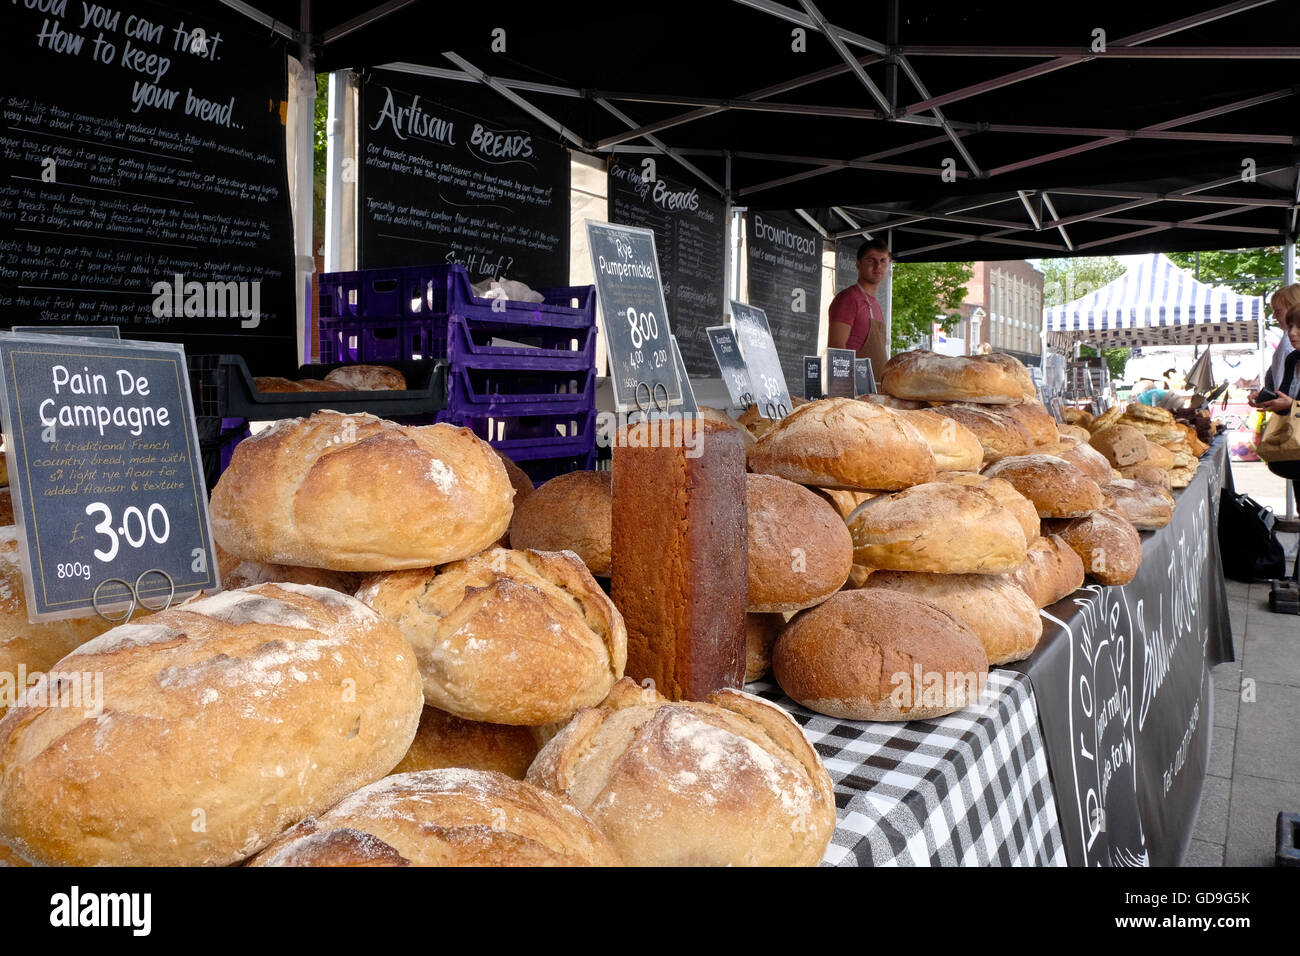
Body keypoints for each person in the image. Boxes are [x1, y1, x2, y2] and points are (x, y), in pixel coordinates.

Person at [828, 239, 891, 382]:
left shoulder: (876, 305)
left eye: (883, 261)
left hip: (877, 390)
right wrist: (844, 390)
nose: (877, 266)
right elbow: (836, 347)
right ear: (858, 264)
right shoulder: (848, 298)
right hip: (855, 391)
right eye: (871, 260)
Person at [1248, 283, 1300, 408]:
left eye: (1278, 311)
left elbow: (1288, 401)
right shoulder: (1292, 358)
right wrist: (1269, 399)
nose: (1274, 316)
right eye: (1291, 326)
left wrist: (1292, 405)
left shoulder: (1288, 347)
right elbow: (1284, 397)